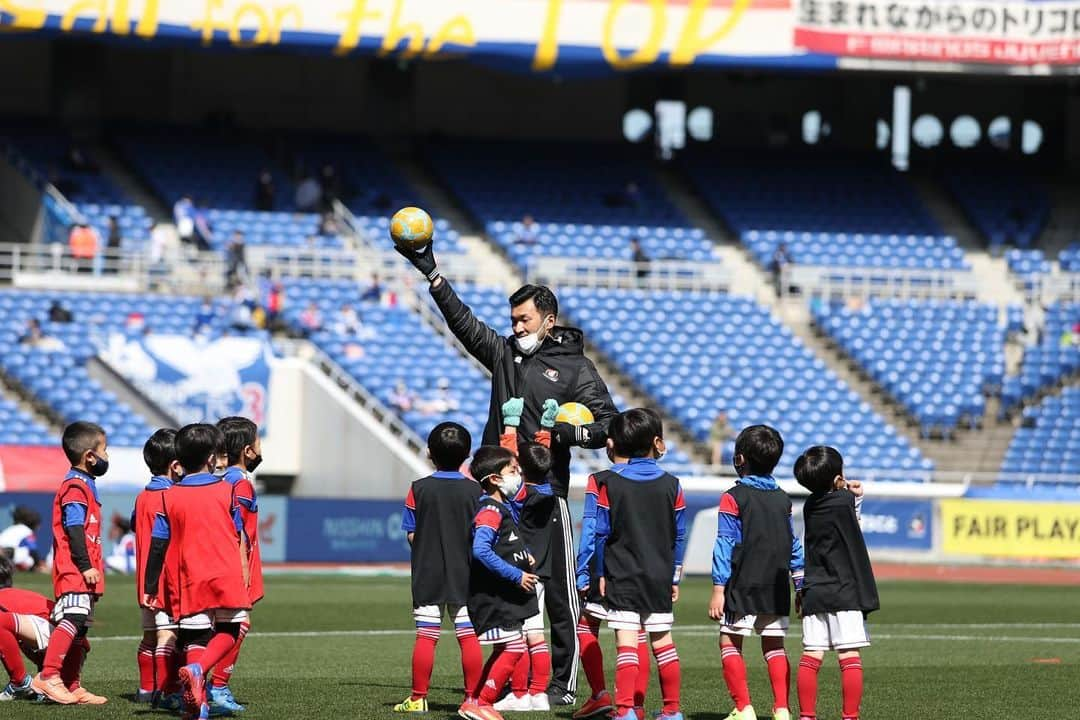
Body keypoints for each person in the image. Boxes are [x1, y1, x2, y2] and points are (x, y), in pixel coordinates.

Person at [399, 240, 618, 705]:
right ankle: (511, 685)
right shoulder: (503, 354)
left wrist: (565, 435)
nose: (516, 327)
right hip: (498, 490)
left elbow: (607, 424)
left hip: (545, 490)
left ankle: (561, 687)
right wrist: (433, 275)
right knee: (498, 586)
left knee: (558, 594)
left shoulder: (577, 368)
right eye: (513, 319)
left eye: (525, 320)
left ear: (549, 322)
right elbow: (464, 324)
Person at [576, 408, 687, 720]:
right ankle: (672, 711)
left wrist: (597, 572)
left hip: (621, 573)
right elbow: (679, 535)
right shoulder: (673, 484)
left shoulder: (610, 483)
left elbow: (600, 532)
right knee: (663, 643)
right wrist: (674, 576)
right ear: (655, 442)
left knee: (627, 643)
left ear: (615, 443)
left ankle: (625, 710)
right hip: (659, 575)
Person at [142, 423, 251, 720]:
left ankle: (197, 704)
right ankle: (198, 670)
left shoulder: (168, 496)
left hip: (188, 577)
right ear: (212, 458)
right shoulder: (228, 490)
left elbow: (158, 544)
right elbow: (238, 533)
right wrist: (243, 570)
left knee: (195, 639)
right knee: (230, 630)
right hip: (224, 572)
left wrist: (151, 586)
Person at [709, 425, 805, 720]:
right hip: (776, 582)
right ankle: (781, 709)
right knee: (774, 643)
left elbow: (725, 542)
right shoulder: (783, 498)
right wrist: (800, 585)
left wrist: (718, 588)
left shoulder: (733, 496)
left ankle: (743, 708)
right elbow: (793, 544)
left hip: (744, 581)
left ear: (739, 459)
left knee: (729, 640)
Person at [393, 422, 483, 714]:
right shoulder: (477, 491)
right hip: (467, 573)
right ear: (467, 455)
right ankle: (472, 699)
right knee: (467, 636)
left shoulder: (418, 489)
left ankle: (418, 698)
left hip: (428, 572)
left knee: (426, 636)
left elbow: (411, 534)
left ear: (429, 453)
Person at [30, 421, 110, 706]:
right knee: (73, 619)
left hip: (86, 571)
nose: (107, 456)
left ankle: (72, 684)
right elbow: (74, 528)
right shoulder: (75, 486)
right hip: (75, 569)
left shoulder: (86, 484)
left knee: (81, 628)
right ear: (90, 456)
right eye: (105, 450)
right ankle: (49, 675)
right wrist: (85, 564)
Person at [793, 447, 876, 720]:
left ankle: (807, 715)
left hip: (815, 589)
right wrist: (856, 495)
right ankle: (850, 716)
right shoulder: (843, 501)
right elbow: (854, 524)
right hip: (844, 589)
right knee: (848, 656)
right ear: (837, 476)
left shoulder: (809, 506)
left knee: (811, 655)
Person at [459, 446, 539, 720]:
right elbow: (481, 550)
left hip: (504, 597)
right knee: (515, 647)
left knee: (509, 646)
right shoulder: (490, 509)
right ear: (494, 478)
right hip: (495, 598)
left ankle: (474, 701)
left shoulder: (500, 506)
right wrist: (517, 575)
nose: (518, 475)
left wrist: (523, 555)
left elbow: (504, 543)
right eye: (513, 471)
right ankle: (482, 702)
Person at [493, 398, 559, 712]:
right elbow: (542, 458)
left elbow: (508, 457)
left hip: (516, 568)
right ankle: (539, 693)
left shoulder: (518, 494)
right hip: (542, 570)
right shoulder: (547, 491)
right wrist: (544, 428)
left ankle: (519, 693)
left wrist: (511, 423)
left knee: (517, 635)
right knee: (537, 633)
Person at [210, 416, 266, 714]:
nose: (260, 449)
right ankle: (217, 687)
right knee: (237, 624)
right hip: (232, 566)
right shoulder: (239, 484)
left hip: (221, 564)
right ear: (247, 450)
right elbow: (236, 529)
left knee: (221, 625)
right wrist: (241, 569)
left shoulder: (222, 479)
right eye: (258, 443)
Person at [132, 429, 181, 706]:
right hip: (165, 581)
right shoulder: (172, 497)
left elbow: (133, 525)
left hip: (144, 582)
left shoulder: (141, 497)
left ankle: (145, 690)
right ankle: (165, 692)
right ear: (175, 465)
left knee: (149, 636)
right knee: (168, 636)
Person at [0, 555, 52, 701]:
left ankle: (20, 682)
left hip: (60, 647)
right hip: (70, 649)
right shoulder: (21, 595)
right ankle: (47, 680)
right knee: (14, 630)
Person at [0, 507, 43, 571]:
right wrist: (39, 565)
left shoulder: (11, 528)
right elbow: (33, 551)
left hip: (5, 554)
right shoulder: (27, 531)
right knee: (28, 558)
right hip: (6, 554)